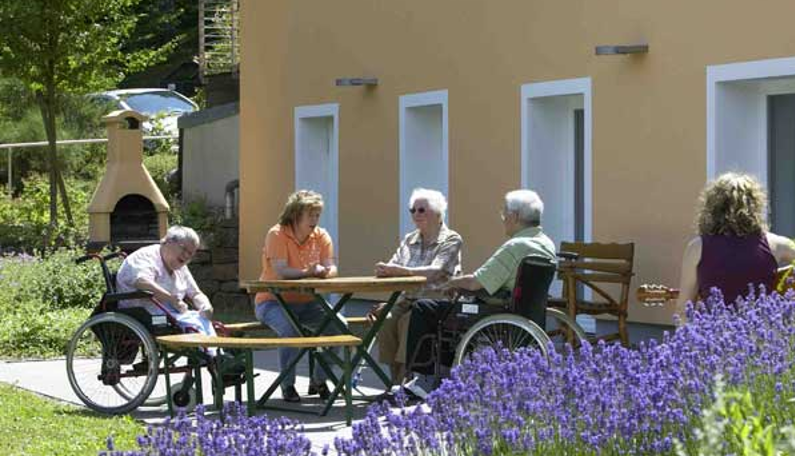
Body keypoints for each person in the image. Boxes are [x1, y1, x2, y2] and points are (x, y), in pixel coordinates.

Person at [403, 189, 556, 397]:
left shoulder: (516, 246)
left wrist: (450, 283)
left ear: (515, 217)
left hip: (497, 309)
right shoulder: (546, 244)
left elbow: (476, 281)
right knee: (444, 310)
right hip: (524, 310)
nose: (503, 219)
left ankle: (425, 378)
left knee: (425, 308)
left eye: (505, 214)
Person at [368, 188, 463, 386]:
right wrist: (385, 269)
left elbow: (435, 271)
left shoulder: (451, 240)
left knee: (407, 323)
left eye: (422, 210)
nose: (416, 215)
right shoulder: (410, 239)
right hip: (406, 299)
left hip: (435, 303)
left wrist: (399, 270)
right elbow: (393, 266)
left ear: (438, 213)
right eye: (413, 210)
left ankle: (405, 383)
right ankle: (394, 382)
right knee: (385, 319)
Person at [253, 190, 339, 403]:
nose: (315, 220)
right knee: (291, 330)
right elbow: (281, 270)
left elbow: (332, 266)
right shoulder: (277, 234)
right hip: (272, 302)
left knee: (338, 326)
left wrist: (325, 271)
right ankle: (287, 384)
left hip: (309, 302)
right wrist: (308, 273)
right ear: (295, 214)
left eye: (317, 215)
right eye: (310, 214)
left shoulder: (322, 236)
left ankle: (319, 380)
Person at [676, 172, 795, 321]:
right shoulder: (776, 244)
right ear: (756, 206)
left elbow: (683, 309)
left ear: (712, 209)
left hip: (713, 337)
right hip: (762, 337)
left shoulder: (697, 248)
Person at [116, 225, 217, 341]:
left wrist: (205, 306)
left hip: (168, 314)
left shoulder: (179, 266)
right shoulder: (146, 256)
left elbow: (195, 293)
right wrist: (172, 299)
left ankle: (214, 353)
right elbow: (142, 281)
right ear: (169, 241)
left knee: (202, 319)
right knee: (194, 324)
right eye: (184, 249)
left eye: (191, 253)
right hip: (143, 313)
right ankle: (211, 354)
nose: (187, 256)